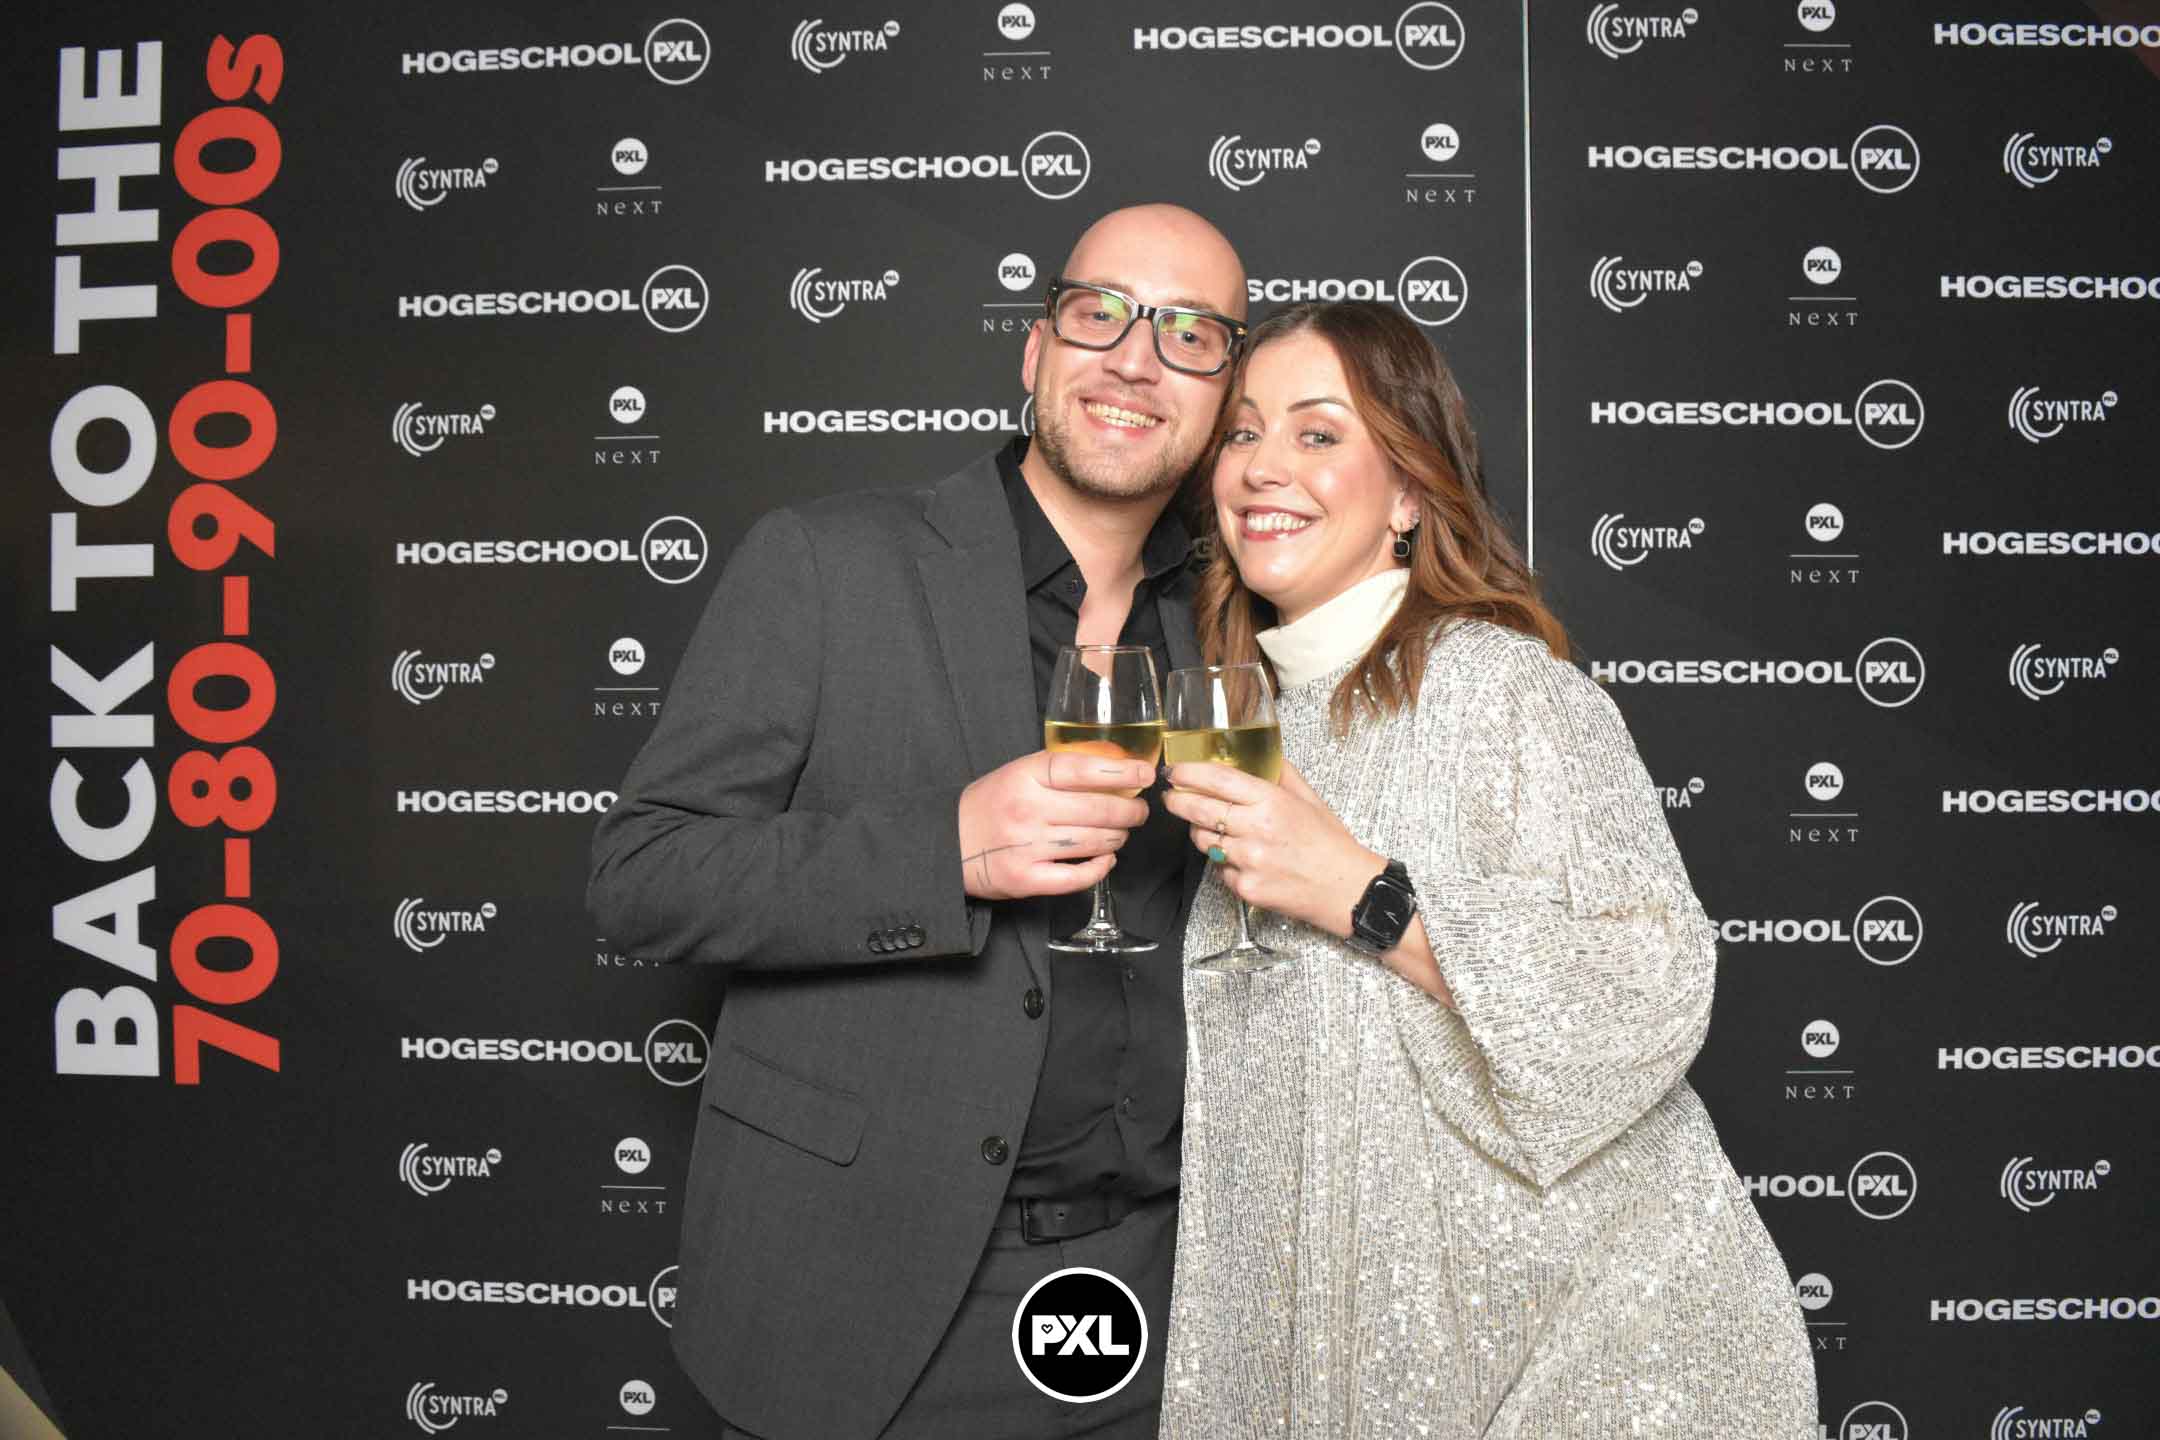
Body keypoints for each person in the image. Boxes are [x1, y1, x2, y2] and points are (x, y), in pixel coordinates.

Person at [588, 204, 1250, 1440]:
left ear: (1224, 394)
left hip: (1165, 1293)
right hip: (868, 1286)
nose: (1136, 360)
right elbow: (643, 876)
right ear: (1036, 348)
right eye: (1100, 314)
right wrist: (946, 849)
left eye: (1190, 335)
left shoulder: (1233, 622)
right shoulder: (828, 562)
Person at [1154, 301, 1817, 1437]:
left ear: (1409, 495)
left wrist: (1364, 893)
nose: (1263, 466)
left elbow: (1654, 977)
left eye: (1319, 433)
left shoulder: (1502, 689)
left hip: (1592, 1370)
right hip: (1370, 1376)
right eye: (1245, 432)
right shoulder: (1250, 724)